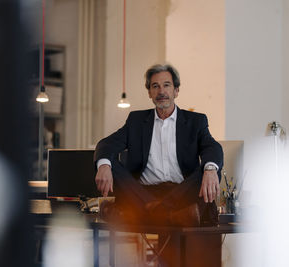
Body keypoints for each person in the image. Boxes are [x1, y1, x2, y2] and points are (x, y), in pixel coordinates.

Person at [94, 64, 223, 226]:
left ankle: (152, 212)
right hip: (143, 194)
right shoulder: (136, 121)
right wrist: (104, 165)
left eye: (166, 85)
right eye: (155, 86)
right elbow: (107, 144)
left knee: (211, 168)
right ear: (150, 93)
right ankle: (170, 216)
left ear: (176, 90)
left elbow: (212, 147)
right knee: (108, 162)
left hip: (182, 193)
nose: (161, 91)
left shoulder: (195, 121)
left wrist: (210, 169)